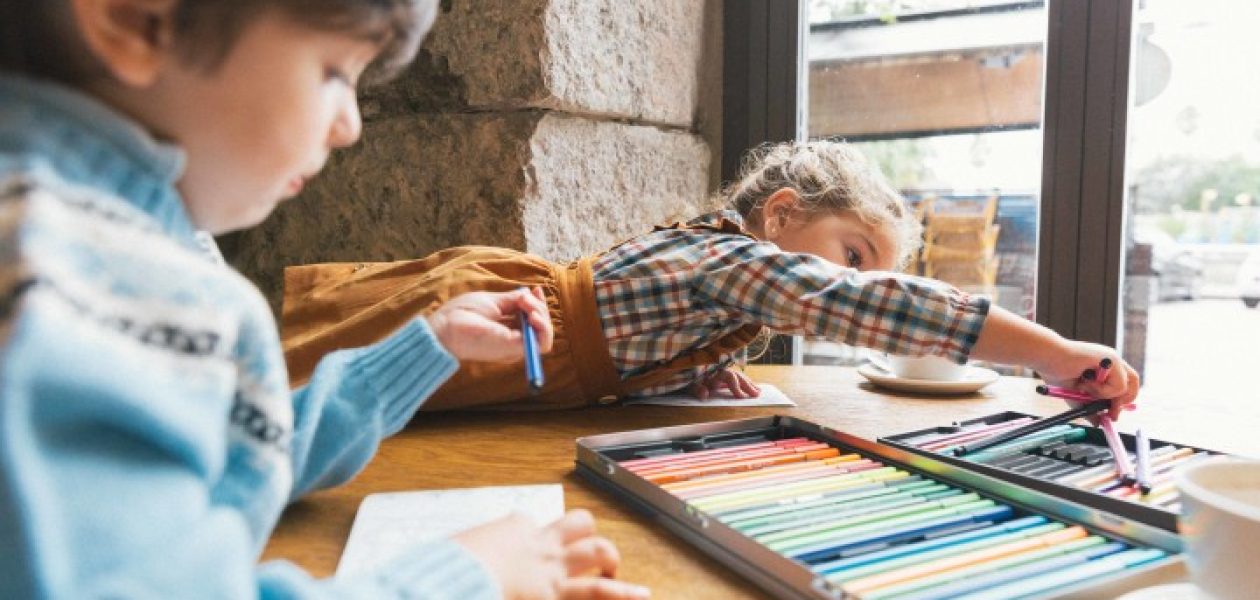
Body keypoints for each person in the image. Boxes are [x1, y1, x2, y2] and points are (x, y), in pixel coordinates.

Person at [0, 0, 648, 598]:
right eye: (334, 71)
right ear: (137, 18)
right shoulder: (86, 280)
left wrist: (429, 346)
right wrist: (466, 578)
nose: (350, 127)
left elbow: (227, 453)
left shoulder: (72, 241)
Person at [281, 140, 1141, 418]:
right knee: (316, 381)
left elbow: (636, 326)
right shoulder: (725, 259)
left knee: (371, 403)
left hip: (533, 373)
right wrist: (1053, 351)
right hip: (502, 330)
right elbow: (857, 308)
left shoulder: (721, 277)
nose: (853, 281)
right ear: (781, 217)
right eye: (850, 253)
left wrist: (695, 366)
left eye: (867, 267)